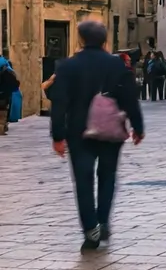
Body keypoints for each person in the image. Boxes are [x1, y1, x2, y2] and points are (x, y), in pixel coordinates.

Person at [50, 21, 144, 251]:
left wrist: (58, 135)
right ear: (104, 40)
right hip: (111, 128)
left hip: (78, 131)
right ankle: (103, 220)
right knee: (108, 176)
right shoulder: (117, 65)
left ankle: (90, 228)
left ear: (81, 39)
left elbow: (59, 103)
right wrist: (138, 126)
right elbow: (130, 97)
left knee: (83, 181)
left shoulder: (67, 66)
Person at [0, 55, 18, 135]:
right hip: (4, 95)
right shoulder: (7, 70)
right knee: (3, 112)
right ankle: (1, 128)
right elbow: (14, 83)